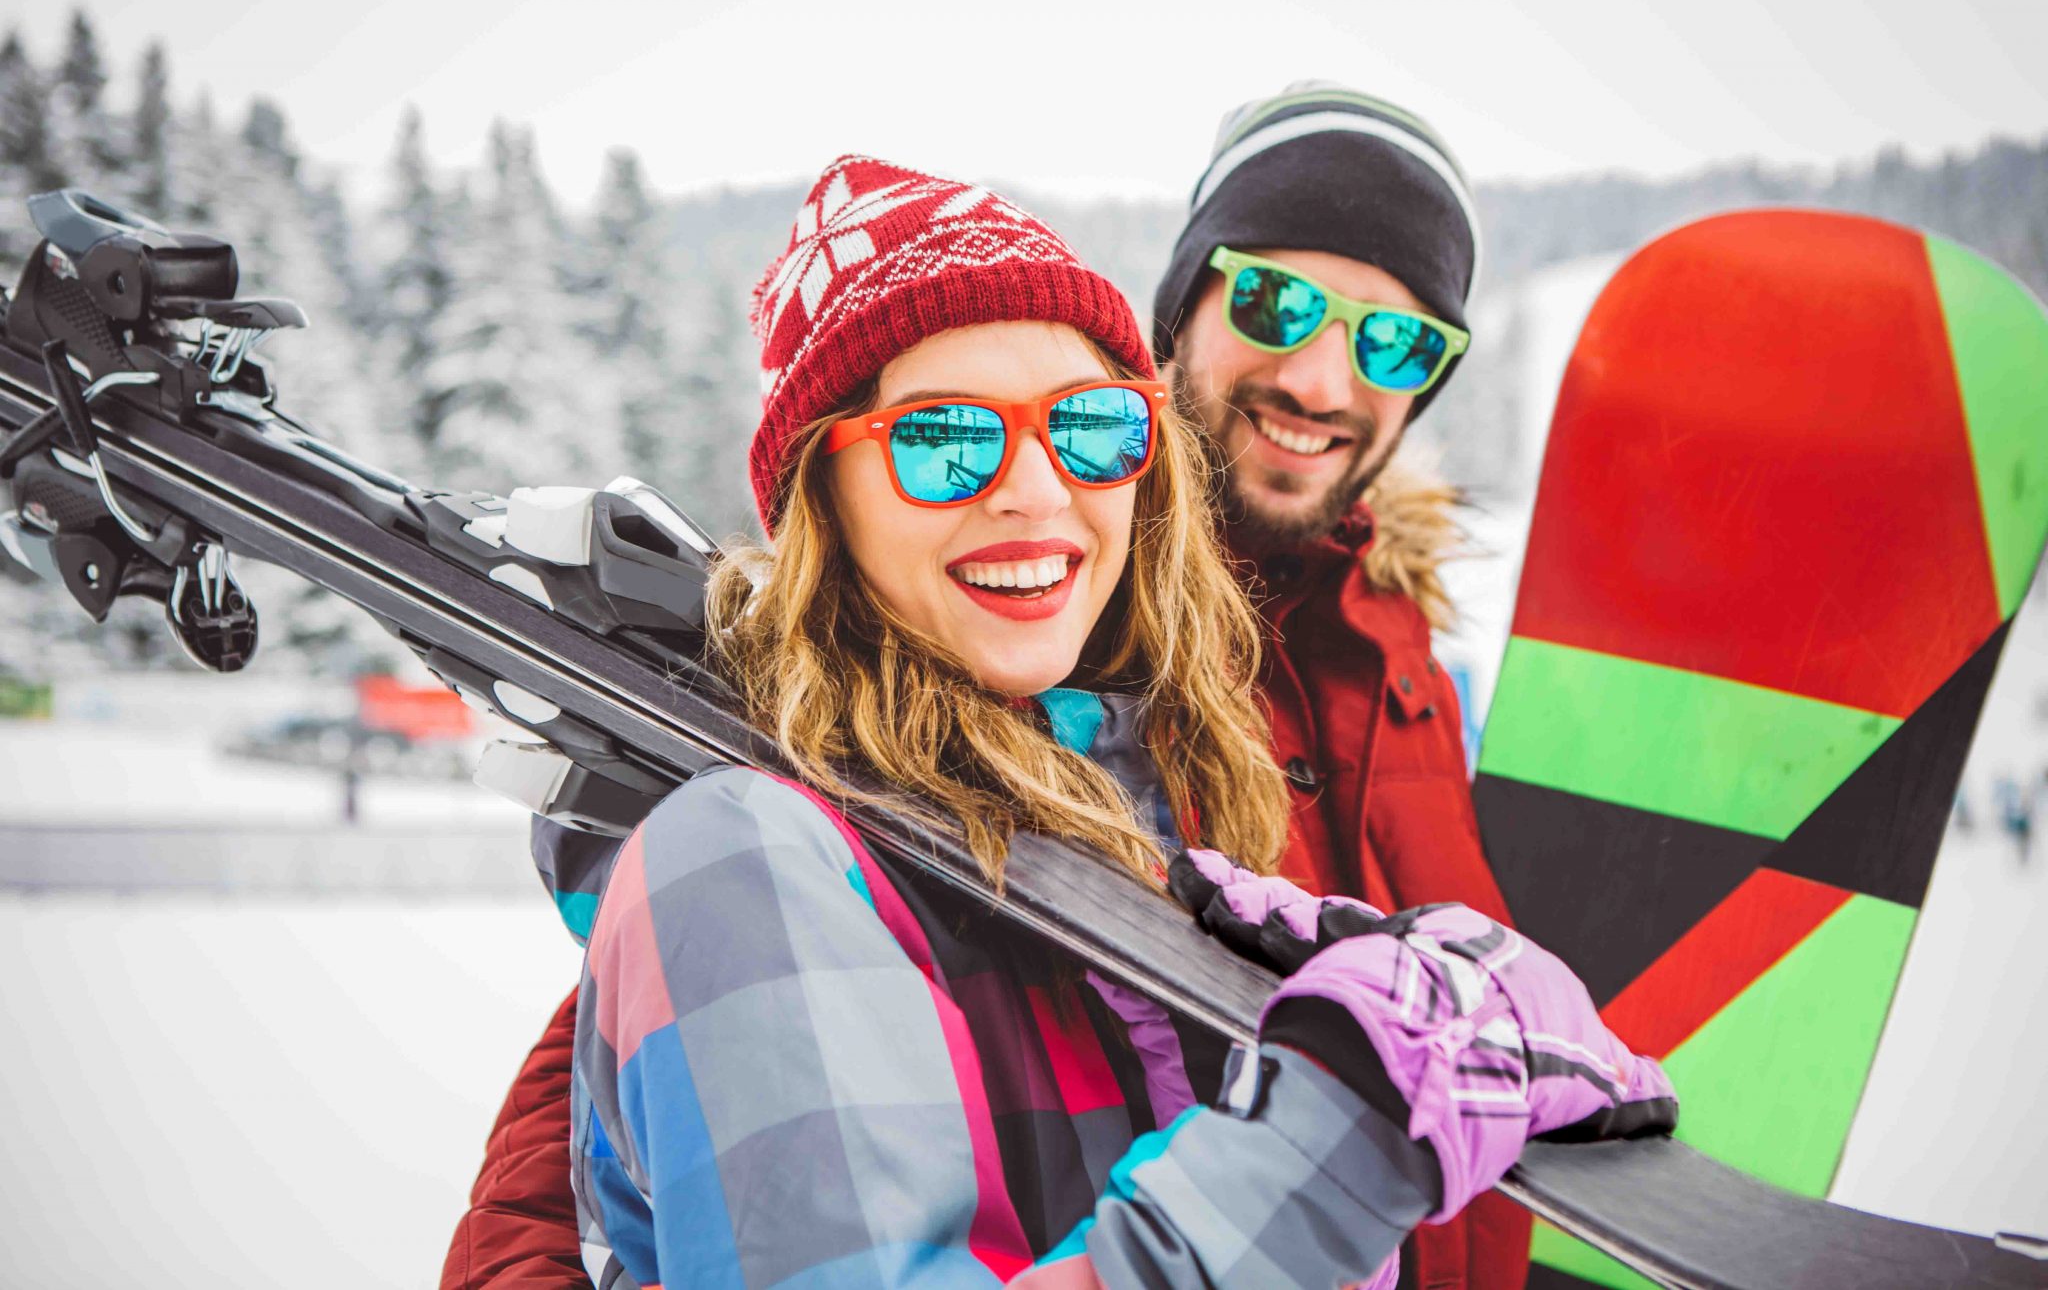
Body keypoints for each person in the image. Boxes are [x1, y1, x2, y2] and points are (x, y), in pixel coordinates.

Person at [446, 88, 1528, 1288]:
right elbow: (665, 1073)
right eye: (1279, 302)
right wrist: (1336, 1149)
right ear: (1185, 312)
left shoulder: (1400, 676)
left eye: (1394, 340)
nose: (1325, 378)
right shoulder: (800, 791)